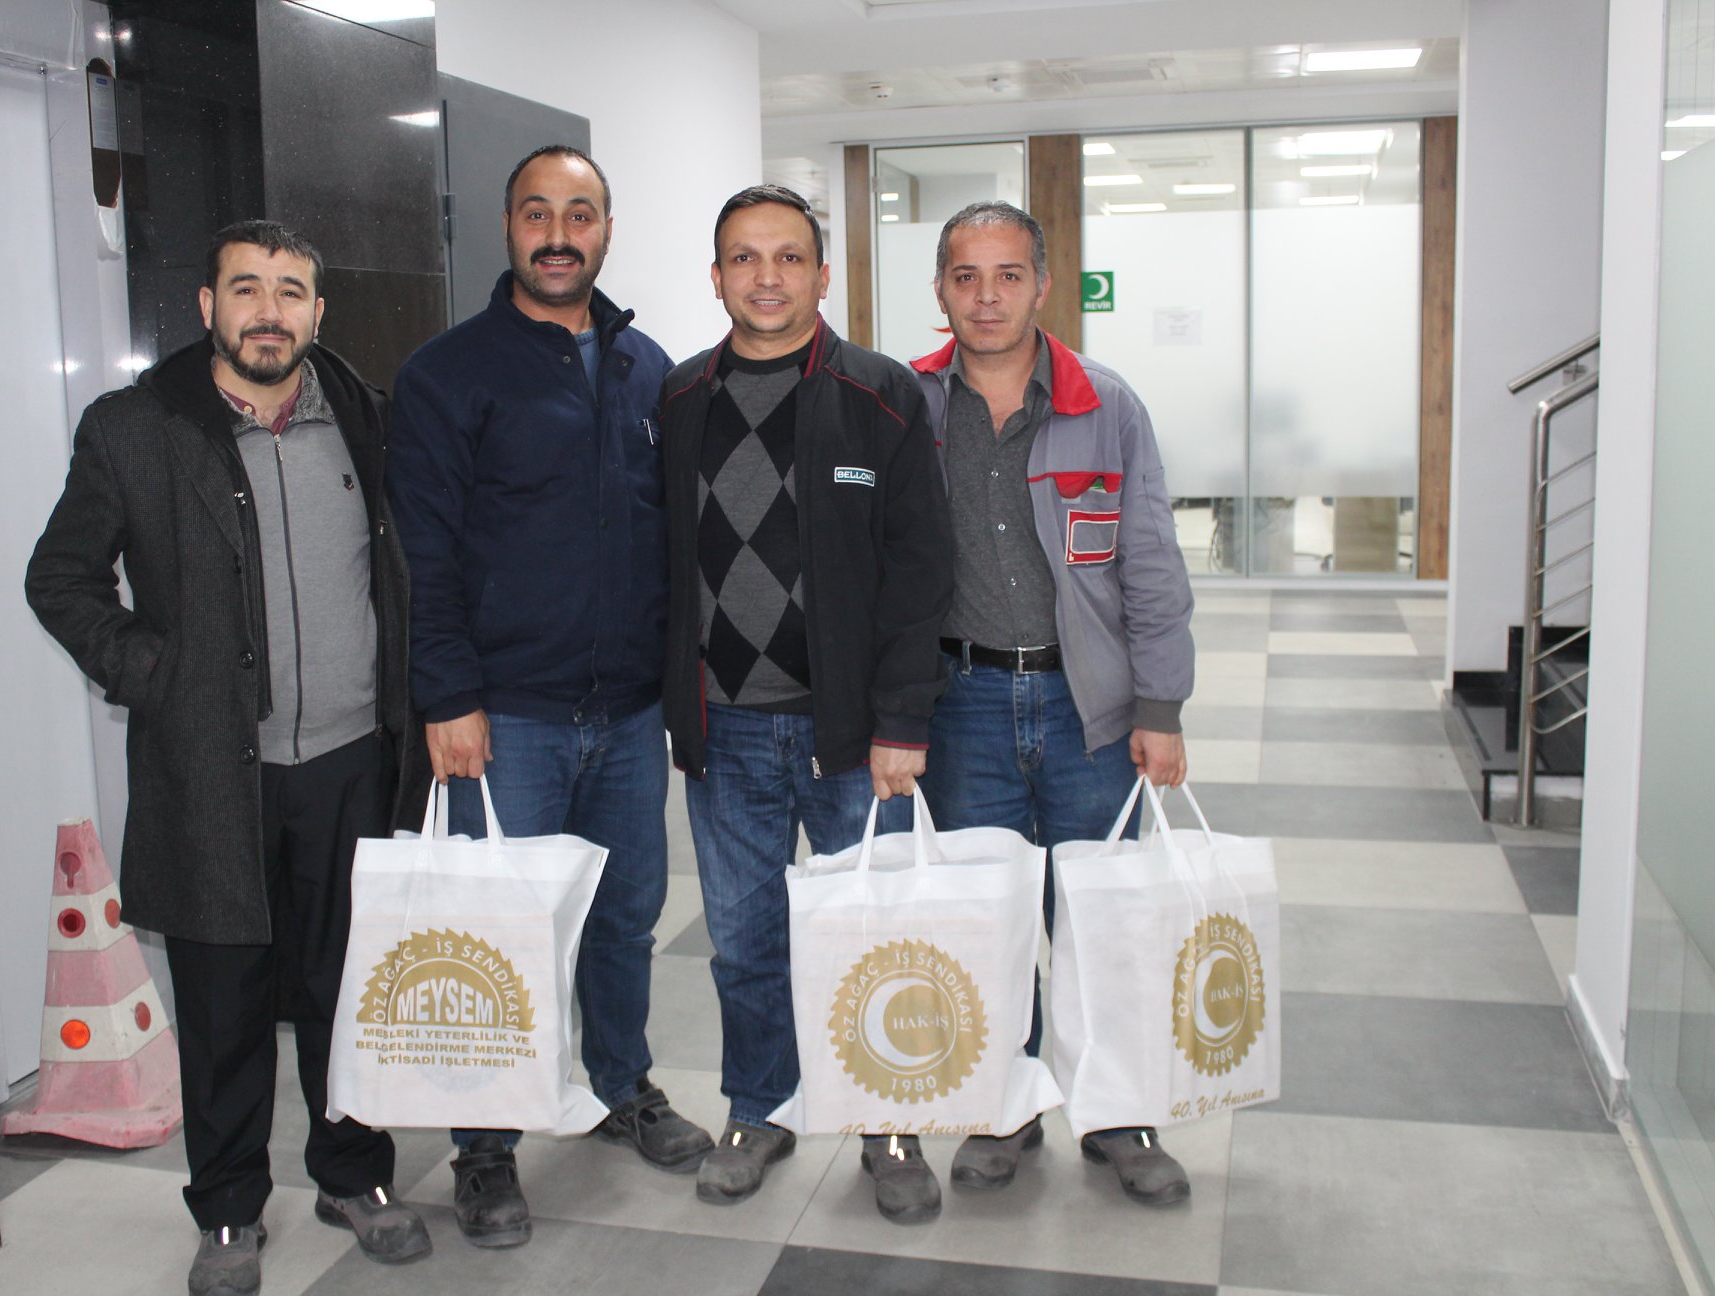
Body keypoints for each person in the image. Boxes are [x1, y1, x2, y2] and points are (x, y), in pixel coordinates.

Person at [26, 220, 429, 1296]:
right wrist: (155, 674)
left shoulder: (366, 417)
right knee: (223, 1005)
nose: (268, 312)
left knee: (350, 987)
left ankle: (353, 1174)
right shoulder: (136, 428)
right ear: (207, 306)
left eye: (290, 292)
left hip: (352, 759)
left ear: (317, 311)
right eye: (246, 289)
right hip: (213, 771)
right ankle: (229, 1210)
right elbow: (60, 578)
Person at [385, 145, 711, 1248]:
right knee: (499, 934)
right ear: (507, 227)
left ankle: (622, 1086)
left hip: (625, 714)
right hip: (505, 717)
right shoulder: (447, 373)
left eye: (580, 213)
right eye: (538, 213)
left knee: (623, 919)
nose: (559, 234)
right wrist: (447, 694)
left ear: (606, 230)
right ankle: (485, 1149)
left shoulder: (649, 369)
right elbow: (424, 554)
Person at [659, 185, 954, 1223]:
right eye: (744, 257)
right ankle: (760, 1109)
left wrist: (902, 721)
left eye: (789, 257)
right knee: (744, 941)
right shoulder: (681, 397)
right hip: (726, 727)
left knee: (875, 936)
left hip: (852, 736)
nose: (767, 276)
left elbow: (920, 570)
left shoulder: (879, 394)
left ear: (823, 276)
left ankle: (889, 1123)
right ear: (716, 277)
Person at [911, 200, 1197, 1206]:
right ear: (941, 290)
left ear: (1041, 284)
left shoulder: (1104, 405)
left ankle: (1117, 1114)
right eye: (966, 277)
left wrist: (1160, 706)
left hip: (1089, 708)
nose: (987, 297)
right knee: (987, 919)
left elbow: (1150, 560)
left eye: (1008, 275)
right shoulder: (909, 403)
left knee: (1100, 917)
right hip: (962, 705)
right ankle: (1005, 1105)